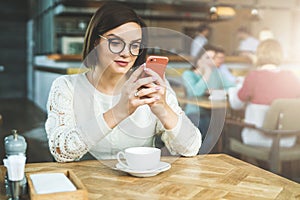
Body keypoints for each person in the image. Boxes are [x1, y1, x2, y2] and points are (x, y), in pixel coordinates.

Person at [45, 2, 201, 162]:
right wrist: (119, 111)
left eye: (135, 45)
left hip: (142, 182)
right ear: (95, 43)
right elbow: (60, 151)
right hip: (86, 182)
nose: (127, 53)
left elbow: (191, 147)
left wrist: (163, 109)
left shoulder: (150, 85)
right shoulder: (66, 86)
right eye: (116, 43)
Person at [228, 39, 300, 147]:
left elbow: (236, 105)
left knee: (228, 129)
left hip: (257, 138)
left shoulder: (254, 76)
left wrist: (233, 90)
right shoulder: (292, 77)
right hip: (287, 140)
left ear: (258, 55)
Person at [182, 45, 235, 140]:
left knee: (225, 126)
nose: (211, 61)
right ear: (199, 59)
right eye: (207, 57)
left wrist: (218, 91)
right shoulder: (188, 75)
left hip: (212, 112)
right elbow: (196, 93)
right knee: (205, 124)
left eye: (213, 58)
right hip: (195, 112)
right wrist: (206, 73)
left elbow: (232, 86)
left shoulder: (216, 73)